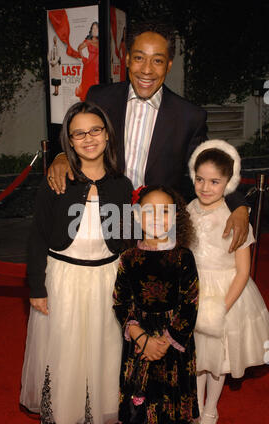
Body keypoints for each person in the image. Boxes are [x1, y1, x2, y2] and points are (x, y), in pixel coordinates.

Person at [47, 22, 249, 254]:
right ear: (127, 59)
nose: (147, 70)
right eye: (140, 58)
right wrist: (63, 155)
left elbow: (208, 165)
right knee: (104, 282)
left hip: (158, 222)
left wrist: (239, 205)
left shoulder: (188, 116)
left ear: (169, 65)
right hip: (106, 211)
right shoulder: (100, 97)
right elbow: (79, 134)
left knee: (153, 287)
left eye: (158, 60)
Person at [20, 102, 133, 424]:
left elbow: (125, 241)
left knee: (102, 350)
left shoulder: (121, 185)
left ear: (107, 134)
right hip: (64, 279)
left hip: (106, 279)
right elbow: (38, 236)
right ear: (68, 141)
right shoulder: (57, 181)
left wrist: (129, 287)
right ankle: (63, 419)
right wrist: (37, 288)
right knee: (65, 351)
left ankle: (91, 416)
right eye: (79, 133)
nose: (88, 138)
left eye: (95, 130)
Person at [186, 139, 269, 424]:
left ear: (228, 182)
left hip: (226, 295)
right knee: (195, 357)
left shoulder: (236, 218)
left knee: (218, 360)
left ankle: (211, 411)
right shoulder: (187, 210)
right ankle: (195, 409)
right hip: (193, 291)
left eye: (214, 181)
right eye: (200, 179)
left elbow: (244, 271)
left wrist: (220, 307)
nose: (205, 187)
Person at [113, 185, 199, 424]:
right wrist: (140, 337)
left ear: (175, 217)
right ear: (137, 216)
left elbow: (190, 301)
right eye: (149, 212)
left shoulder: (183, 257)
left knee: (167, 386)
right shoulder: (128, 258)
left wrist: (165, 340)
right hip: (140, 334)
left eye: (164, 212)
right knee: (142, 385)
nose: (157, 218)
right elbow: (120, 300)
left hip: (172, 336)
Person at [75, 22, 99, 102]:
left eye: (96, 28)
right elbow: (79, 48)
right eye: (93, 28)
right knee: (87, 86)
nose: (95, 30)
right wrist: (83, 58)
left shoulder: (101, 40)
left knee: (97, 87)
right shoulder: (88, 40)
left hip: (98, 67)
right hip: (89, 67)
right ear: (91, 30)